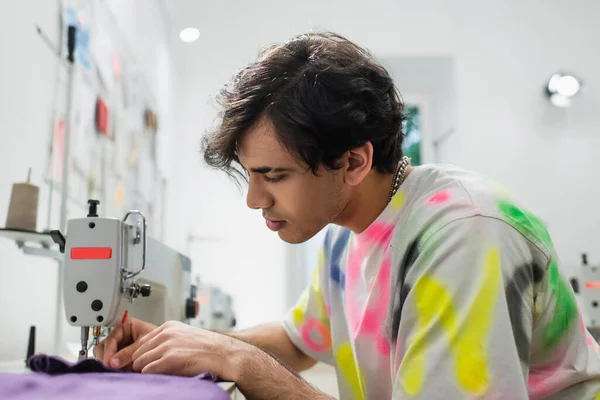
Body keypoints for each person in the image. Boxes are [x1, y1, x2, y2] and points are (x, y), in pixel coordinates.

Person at [94, 32, 600, 399]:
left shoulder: (463, 234)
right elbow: (299, 340)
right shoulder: (345, 233)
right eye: (250, 175)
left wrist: (240, 362)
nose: (254, 200)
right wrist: (181, 341)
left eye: (274, 176)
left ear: (353, 161)